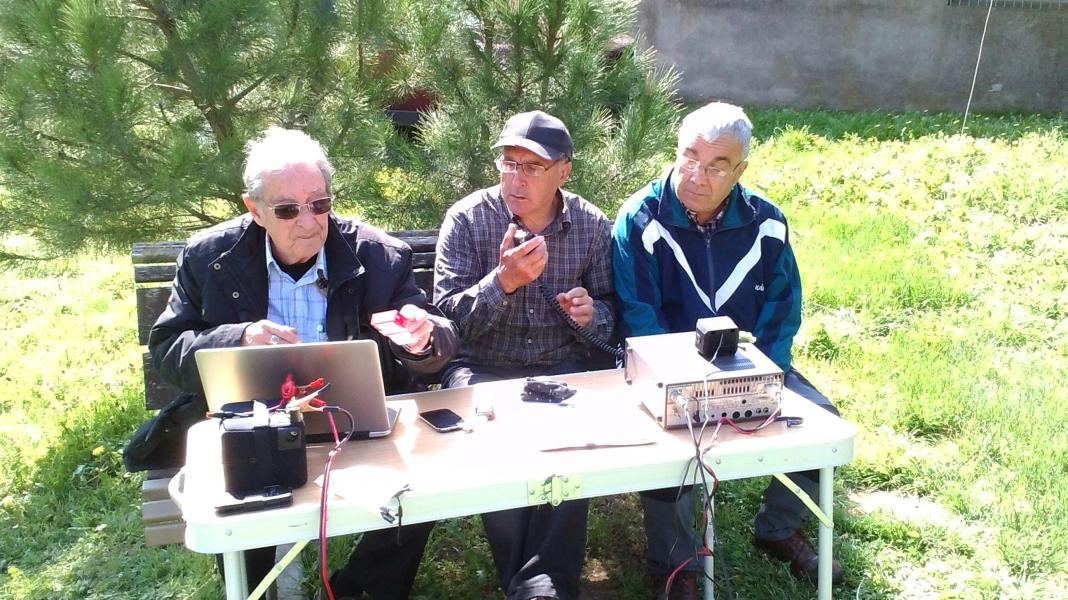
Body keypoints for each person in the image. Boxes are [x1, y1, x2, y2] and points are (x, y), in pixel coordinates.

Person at [147, 126, 459, 600]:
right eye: (287, 210)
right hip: (253, 427)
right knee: (237, 504)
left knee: (418, 494)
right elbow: (169, 348)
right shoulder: (210, 257)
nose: (309, 222)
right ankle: (258, 589)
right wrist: (237, 338)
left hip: (356, 426)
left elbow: (437, 337)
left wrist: (421, 338)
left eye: (320, 204)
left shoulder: (377, 255)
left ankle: (360, 591)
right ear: (254, 210)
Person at [611, 102, 845, 599]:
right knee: (667, 444)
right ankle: (677, 564)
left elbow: (783, 307)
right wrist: (680, 386)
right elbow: (640, 314)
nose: (697, 176)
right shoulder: (640, 218)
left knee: (822, 421)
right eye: (689, 158)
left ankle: (777, 529)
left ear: (740, 170)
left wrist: (768, 378)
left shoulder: (767, 222)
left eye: (717, 166)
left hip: (747, 363)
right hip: (665, 370)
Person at [433, 110, 615, 600]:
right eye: (509, 164)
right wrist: (503, 283)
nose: (517, 178)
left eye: (533, 167)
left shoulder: (590, 225)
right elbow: (445, 325)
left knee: (574, 439)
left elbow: (612, 310)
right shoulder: (468, 219)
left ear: (564, 171)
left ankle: (543, 585)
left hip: (562, 364)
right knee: (493, 433)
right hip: (482, 366)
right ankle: (537, 587)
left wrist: (591, 315)